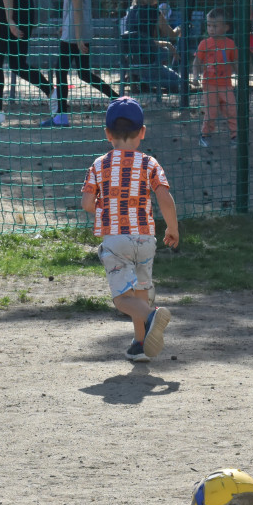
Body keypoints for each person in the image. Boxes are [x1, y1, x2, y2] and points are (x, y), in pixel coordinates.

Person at [81, 98, 179, 362]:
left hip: (116, 239)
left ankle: (151, 316)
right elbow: (164, 198)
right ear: (143, 132)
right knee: (140, 291)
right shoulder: (150, 163)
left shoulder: (99, 164)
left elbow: (88, 204)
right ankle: (139, 343)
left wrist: (104, 204)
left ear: (108, 134)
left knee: (123, 299)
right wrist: (172, 228)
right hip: (146, 238)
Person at [44, 0, 120, 127]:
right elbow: (73, 9)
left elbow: (77, 8)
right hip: (80, 33)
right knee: (84, 74)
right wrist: (65, 25)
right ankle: (117, 100)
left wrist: (78, 38)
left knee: (61, 72)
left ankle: (61, 116)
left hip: (73, 36)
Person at [0, 0, 56, 125]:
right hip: (26, 7)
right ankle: (51, 92)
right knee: (18, 64)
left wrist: (9, 18)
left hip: (4, 7)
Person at [193, 8, 238, 147]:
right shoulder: (204, 44)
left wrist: (242, 76)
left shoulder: (230, 44)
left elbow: (236, 62)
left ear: (226, 27)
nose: (211, 29)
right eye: (209, 25)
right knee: (211, 112)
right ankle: (205, 135)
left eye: (215, 26)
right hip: (209, 84)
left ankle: (235, 136)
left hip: (226, 85)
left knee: (231, 109)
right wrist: (195, 76)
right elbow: (196, 63)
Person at [123, 0, 183, 94]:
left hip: (132, 61)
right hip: (150, 61)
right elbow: (171, 35)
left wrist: (167, 44)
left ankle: (140, 80)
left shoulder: (131, 12)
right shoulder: (154, 12)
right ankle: (148, 81)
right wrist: (181, 27)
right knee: (181, 83)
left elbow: (142, 40)